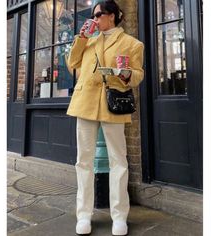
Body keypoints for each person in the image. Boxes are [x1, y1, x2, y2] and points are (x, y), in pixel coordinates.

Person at [66, 0, 144, 235]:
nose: (94, 19)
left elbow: (138, 74)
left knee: (118, 161)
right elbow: (72, 63)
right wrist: (80, 38)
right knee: (84, 161)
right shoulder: (88, 40)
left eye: (98, 15)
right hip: (85, 102)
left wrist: (128, 73)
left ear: (112, 16)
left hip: (114, 103)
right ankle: (84, 215)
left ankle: (119, 216)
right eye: (93, 15)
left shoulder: (132, 44)